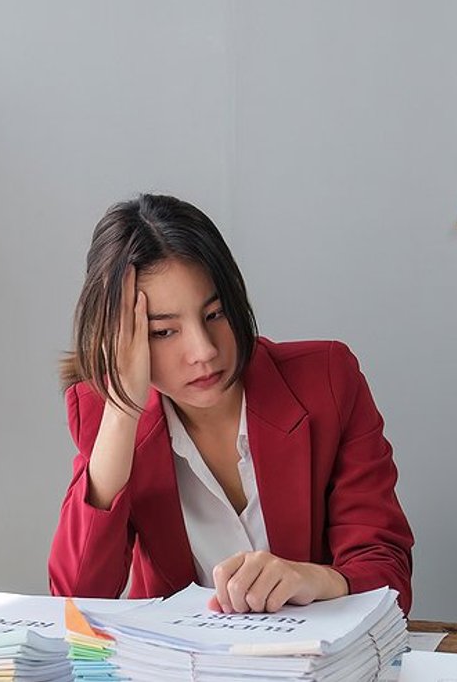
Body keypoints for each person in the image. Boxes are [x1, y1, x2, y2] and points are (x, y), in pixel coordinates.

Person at [48, 194, 413, 615]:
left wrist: (313, 578)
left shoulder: (327, 381)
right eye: (163, 332)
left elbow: (389, 580)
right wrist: (122, 411)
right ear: (119, 337)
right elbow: (76, 599)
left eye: (215, 314)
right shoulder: (103, 413)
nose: (203, 351)